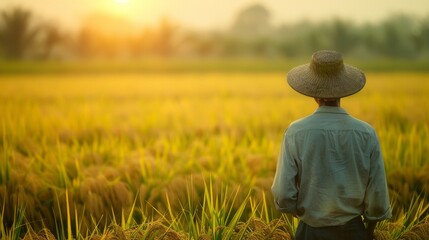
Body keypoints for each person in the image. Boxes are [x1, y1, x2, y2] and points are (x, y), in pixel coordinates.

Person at [271, 50, 391, 240]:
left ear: (313, 94)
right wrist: (368, 229)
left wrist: (295, 211)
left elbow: (283, 193)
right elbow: (377, 193)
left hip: (310, 231)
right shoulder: (366, 133)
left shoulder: (296, 132)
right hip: (354, 230)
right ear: (343, 92)